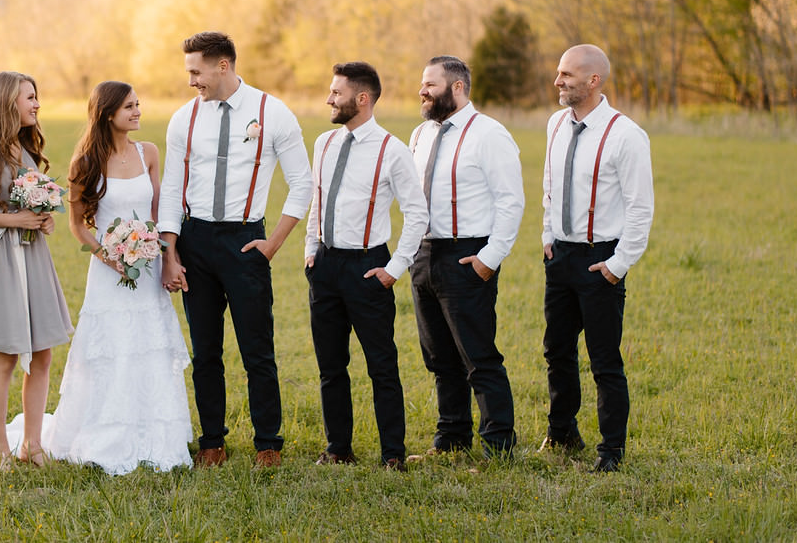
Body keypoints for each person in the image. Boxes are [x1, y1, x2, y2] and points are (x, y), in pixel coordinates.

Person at [158, 31, 313, 468]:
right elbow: (172, 188)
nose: (191, 81)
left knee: (257, 348)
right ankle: (212, 442)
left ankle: (268, 443)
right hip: (195, 241)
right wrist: (171, 253)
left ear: (222, 65)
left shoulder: (272, 112)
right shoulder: (182, 119)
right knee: (205, 351)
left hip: (247, 241)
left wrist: (273, 244)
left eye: (196, 71)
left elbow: (303, 183)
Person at [45, 81, 192, 474]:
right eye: (130, 106)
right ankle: (106, 435)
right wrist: (110, 257)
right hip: (109, 272)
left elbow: (162, 212)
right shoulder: (85, 163)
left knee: (148, 346)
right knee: (112, 350)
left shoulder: (150, 153)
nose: (138, 111)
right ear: (108, 113)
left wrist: (167, 258)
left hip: (147, 269)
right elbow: (77, 226)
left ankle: (155, 434)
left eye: (138, 104)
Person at [304, 63, 427, 471]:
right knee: (330, 365)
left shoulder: (393, 150)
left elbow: (417, 214)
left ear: (362, 99)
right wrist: (310, 249)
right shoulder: (323, 142)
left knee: (381, 365)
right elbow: (317, 202)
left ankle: (393, 454)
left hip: (368, 267)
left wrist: (394, 268)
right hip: (324, 265)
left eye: (336, 93)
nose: (328, 99)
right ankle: (338, 447)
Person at [541, 44, 654, 472]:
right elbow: (551, 184)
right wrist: (548, 235)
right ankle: (562, 433)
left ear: (594, 81)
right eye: (558, 73)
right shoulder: (555, 124)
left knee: (604, 359)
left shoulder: (626, 135)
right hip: (561, 257)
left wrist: (617, 265)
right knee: (557, 350)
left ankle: (611, 451)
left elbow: (640, 207)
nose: (558, 81)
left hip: (600, 260)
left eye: (568, 74)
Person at [407, 55, 524, 461]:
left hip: (467, 255)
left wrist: (488, 259)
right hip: (424, 255)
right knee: (438, 356)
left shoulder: (489, 134)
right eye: (422, 84)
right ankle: (451, 438)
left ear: (457, 87)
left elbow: (511, 202)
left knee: (478, 356)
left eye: (431, 85)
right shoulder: (420, 135)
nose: (422, 91)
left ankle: (499, 446)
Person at [0, 71, 73, 469]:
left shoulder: (21, 149)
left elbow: (32, 203)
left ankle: (33, 444)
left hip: (32, 255)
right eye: (30, 97)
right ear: (9, 101)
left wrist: (43, 218)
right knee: (5, 356)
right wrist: (16, 222)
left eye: (36, 97)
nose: (37, 105)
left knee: (42, 354)